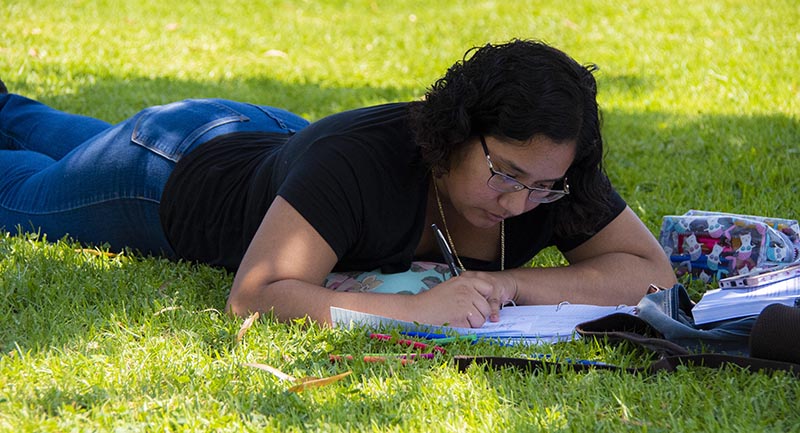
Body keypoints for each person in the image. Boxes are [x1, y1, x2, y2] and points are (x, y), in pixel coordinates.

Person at [0, 39, 677, 328]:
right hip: (168, 170)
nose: (521, 203)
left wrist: (505, 284)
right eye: (504, 175)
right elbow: (255, 294)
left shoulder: (547, 167)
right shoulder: (363, 163)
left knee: (55, 132)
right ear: (453, 134)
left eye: (544, 186)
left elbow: (652, 274)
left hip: (275, 140)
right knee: (27, 193)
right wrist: (415, 311)